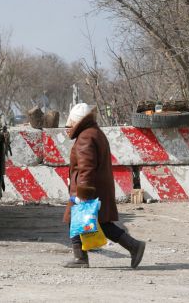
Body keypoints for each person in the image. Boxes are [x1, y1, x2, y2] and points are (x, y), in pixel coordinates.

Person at [63, 103, 146, 268]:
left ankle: (132, 246)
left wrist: (83, 194)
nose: (68, 127)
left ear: (77, 121)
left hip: (88, 190)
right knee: (98, 223)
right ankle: (132, 246)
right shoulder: (95, 133)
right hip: (98, 188)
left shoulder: (85, 137)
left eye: (70, 123)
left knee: (77, 220)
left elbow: (86, 167)